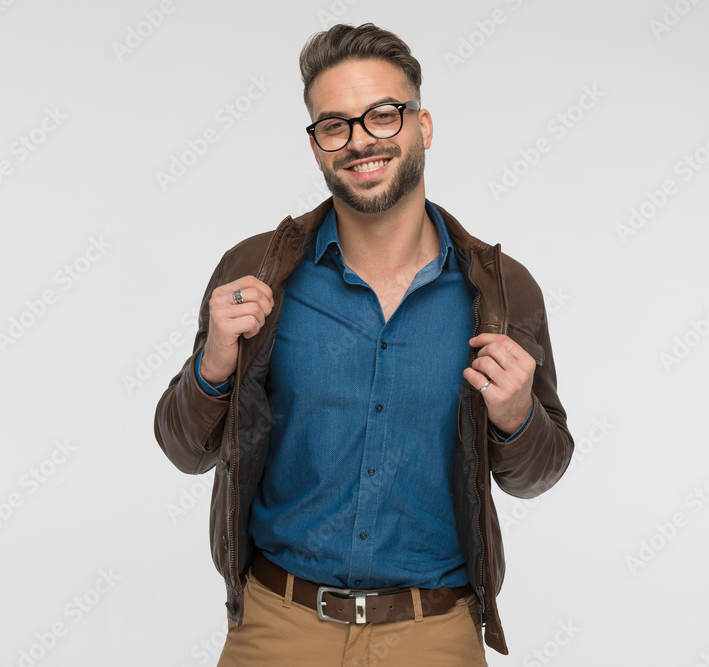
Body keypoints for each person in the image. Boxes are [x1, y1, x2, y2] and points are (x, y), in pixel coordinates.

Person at [154, 22, 573, 666]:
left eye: (383, 115)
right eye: (335, 125)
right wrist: (212, 366)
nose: (360, 142)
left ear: (422, 126)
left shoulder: (502, 288)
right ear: (318, 147)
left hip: (434, 632)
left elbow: (538, 473)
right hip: (276, 626)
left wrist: (516, 417)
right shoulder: (256, 271)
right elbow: (186, 449)